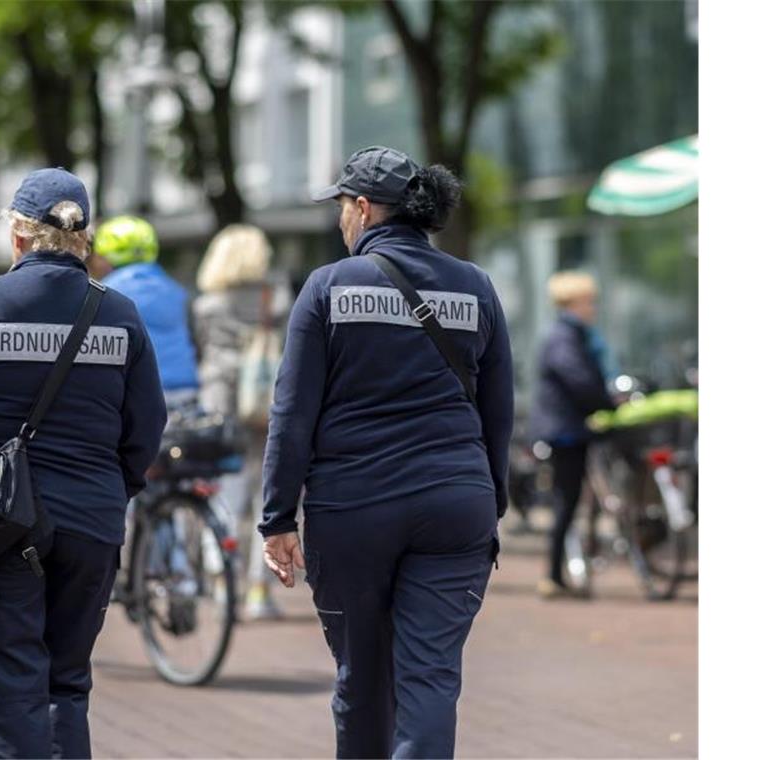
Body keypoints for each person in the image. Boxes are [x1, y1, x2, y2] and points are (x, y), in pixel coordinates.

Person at [260, 146, 514, 759]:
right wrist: (490, 503)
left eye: (343, 207)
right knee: (430, 679)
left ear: (365, 209)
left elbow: (293, 412)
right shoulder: (475, 286)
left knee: (363, 677)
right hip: (456, 506)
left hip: (354, 509)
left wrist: (276, 516)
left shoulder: (327, 287)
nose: (341, 220)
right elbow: (498, 411)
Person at [0, 168, 167, 759]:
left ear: (19, 237)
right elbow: (147, 426)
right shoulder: (120, 314)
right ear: (85, 237)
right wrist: (112, 489)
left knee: (8, 688)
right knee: (66, 685)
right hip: (91, 522)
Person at [192, 223, 293, 620]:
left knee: (221, 493)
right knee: (262, 497)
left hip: (220, 403)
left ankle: (220, 579)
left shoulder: (207, 305)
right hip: (265, 402)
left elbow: (204, 349)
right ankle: (257, 588)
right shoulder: (276, 298)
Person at [530, 271, 616, 599]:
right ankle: (553, 575)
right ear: (574, 302)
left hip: (566, 426)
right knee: (566, 501)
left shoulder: (568, 334)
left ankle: (558, 574)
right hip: (565, 430)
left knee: (567, 501)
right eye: (589, 301)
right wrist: (606, 402)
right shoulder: (565, 336)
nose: (593, 308)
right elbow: (578, 379)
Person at [91, 215, 199, 405]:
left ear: (106, 256)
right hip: (186, 388)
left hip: (140, 393)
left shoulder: (104, 294)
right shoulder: (176, 290)